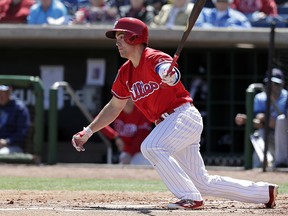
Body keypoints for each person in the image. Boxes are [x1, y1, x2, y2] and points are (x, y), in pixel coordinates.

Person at [72, 17, 278, 210]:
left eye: (120, 37)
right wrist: (88, 131)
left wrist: (168, 75)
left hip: (183, 116)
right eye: (116, 38)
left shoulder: (154, 57)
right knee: (202, 182)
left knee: (151, 146)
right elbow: (114, 106)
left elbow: (168, 70)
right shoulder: (125, 72)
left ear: (135, 38)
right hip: (168, 124)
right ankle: (264, 193)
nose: (117, 42)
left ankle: (190, 197)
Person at [235, 68, 288, 168]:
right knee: (257, 135)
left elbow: (278, 123)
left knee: (280, 121)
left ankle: (282, 164)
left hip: (284, 139)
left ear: (282, 84)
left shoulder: (286, 97)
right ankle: (262, 166)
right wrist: (247, 120)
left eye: (276, 84)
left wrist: (265, 118)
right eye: (270, 83)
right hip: (268, 135)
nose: (273, 87)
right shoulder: (260, 97)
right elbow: (259, 123)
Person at [101, 98, 152, 165]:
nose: (128, 100)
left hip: (141, 151)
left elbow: (141, 139)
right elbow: (98, 120)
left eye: (130, 97)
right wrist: (115, 136)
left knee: (137, 161)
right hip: (125, 151)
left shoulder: (142, 112)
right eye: (125, 97)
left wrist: (128, 151)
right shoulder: (116, 111)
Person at [0, 85, 31, 155]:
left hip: (13, 146)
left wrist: (7, 142)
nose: (0, 95)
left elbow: (22, 133)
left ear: (9, 92)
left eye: (3, 92)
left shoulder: (19, 108)